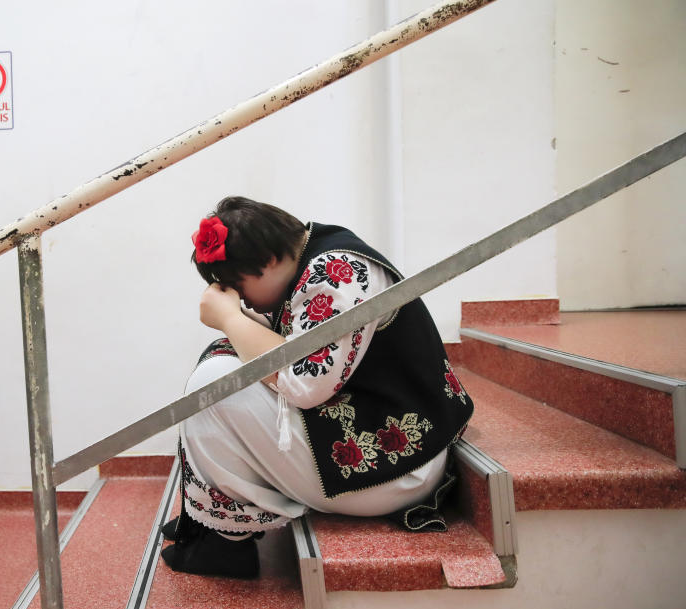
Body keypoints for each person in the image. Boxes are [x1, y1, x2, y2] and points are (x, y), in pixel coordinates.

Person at [160, 196, 473, 578]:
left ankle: (227, 540)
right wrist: (234, 323)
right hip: (374, 430)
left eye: (239, 286)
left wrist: (230, 318)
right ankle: (218, 524)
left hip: (397, 470)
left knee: (214, 387)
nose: (239, 298)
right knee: (224, 358)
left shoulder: (337, 273)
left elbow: (304, 385)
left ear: (270, 260)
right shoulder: (316, 257)